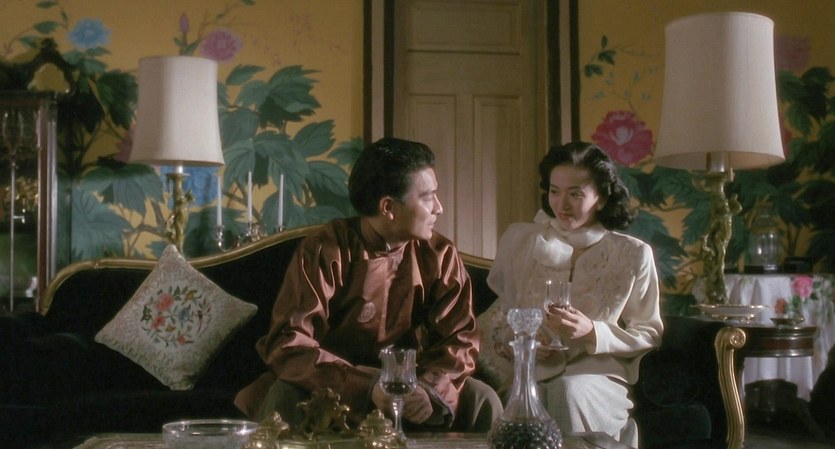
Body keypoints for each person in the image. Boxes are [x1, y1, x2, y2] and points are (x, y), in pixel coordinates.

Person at [234, 137, 502, 432]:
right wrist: (369, 385)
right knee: (284, 395)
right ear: (388, 207)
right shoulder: (326, 250)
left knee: (482, 399)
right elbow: (289, 343)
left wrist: (429, 389)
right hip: (330, 385)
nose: (439, 208)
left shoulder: (440, 255)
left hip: (412, 386)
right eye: (428, 198)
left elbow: (460, 339)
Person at [477, 141, 663, 447]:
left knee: (567, 390)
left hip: (596, 378)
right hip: (531, 373)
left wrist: (593, 332)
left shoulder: (633, 254)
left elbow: (649, 332)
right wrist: (523, 342)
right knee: (526, 398)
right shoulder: (523, 242)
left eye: (575, 194)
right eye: (555, 191)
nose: (561, 204)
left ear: (602, 197)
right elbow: (508, 317)